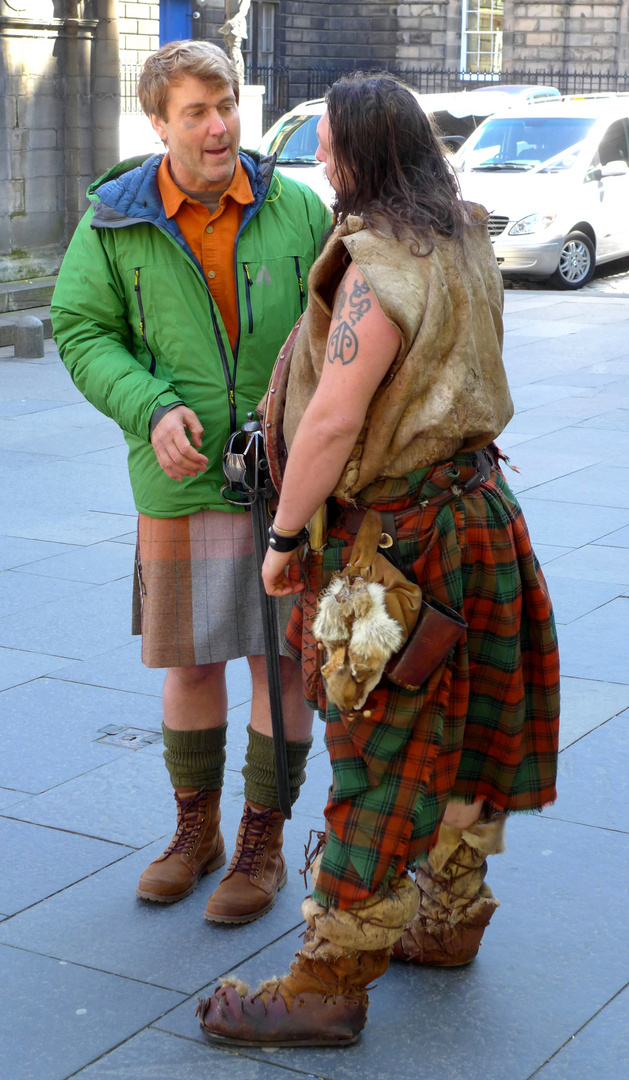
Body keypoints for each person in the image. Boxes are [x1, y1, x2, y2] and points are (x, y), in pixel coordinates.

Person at [197, 73, 560, 1046]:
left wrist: (281, 541)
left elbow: (332, 420)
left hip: (393, 546)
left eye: (329, 145)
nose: (318, 160)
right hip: (480, 516)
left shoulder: (377, 258)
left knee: (374, 749)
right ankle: (446, 916)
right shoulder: (463, 234)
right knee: (463, 735)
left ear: (364, 151)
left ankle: (327, 979)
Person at [51, 40, 330, 925]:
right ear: (158, 123)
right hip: (177, 479)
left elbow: (343, 326)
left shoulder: (296, 208)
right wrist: (150, 407)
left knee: (280, 662)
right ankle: (193, 832)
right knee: (189, 660)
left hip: (285, 479)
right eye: (196, 112)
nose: (219, 128)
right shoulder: (112, 219)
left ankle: (260, 844)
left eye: (227, 105)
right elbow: (82, 328)